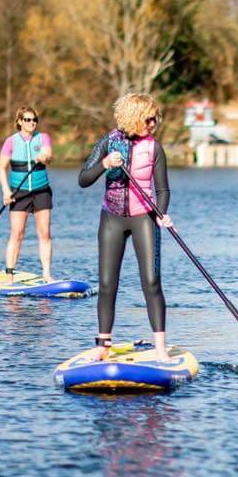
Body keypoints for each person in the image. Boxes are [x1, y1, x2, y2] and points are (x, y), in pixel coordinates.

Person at [79, 93, 174, 361]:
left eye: (156, 118)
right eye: (149, 118)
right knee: (108, 283)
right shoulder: (109, 142)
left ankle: (159, 348)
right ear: (134, 118)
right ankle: (103, 346)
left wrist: (161, 214)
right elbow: (83, 179)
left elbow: (163, 189)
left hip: (144, 217)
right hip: (111, 219)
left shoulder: (154, 148)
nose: (154, 123)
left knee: (151, 282)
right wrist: (104, 164)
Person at [0, 104, 54, 282]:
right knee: (17, 233)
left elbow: (48, 154)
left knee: (44, 233)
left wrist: (43, 157)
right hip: (19, 192)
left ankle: (46, 274)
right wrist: (6, 191)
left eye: (34, 120)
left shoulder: (43, 138)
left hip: (41, 191)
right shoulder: (11, 141)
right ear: (20, 122)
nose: (32, 123)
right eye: (28, 120)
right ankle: (9, 275)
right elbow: (1, 168)